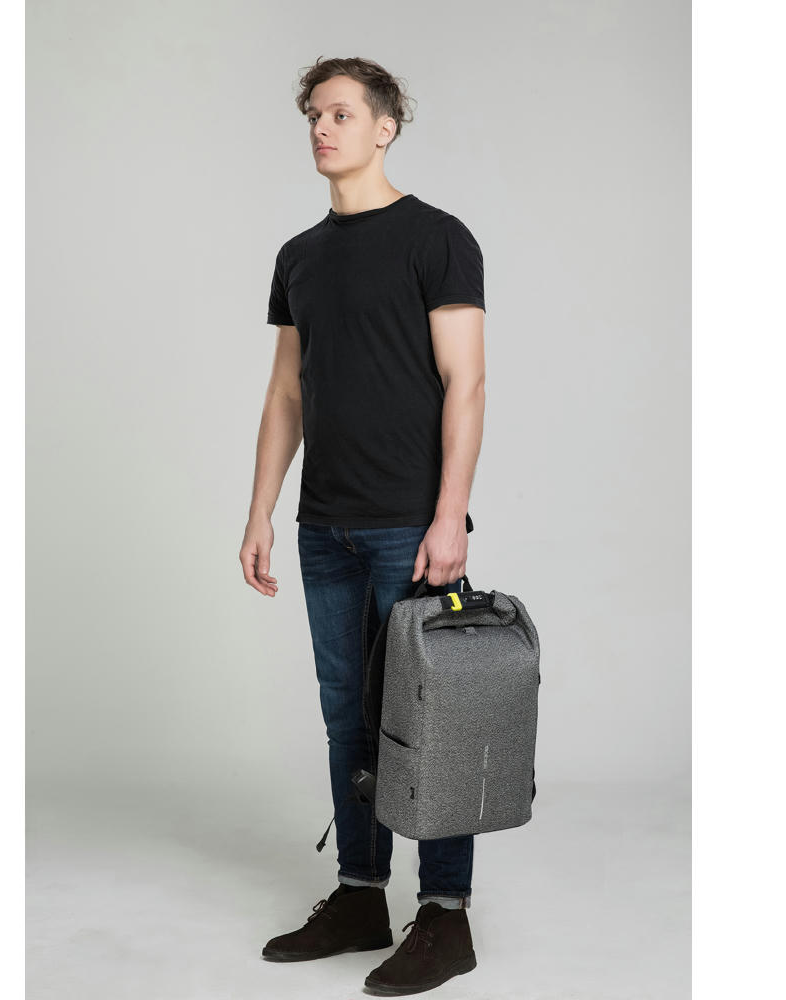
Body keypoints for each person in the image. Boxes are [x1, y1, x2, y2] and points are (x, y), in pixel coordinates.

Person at [240, 55, 486, 996]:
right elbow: (285, 393)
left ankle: (446, 915)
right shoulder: (299, 257)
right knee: (347, 717)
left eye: (341, 113)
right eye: (314, 113)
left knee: (430, 717)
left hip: (408, 526)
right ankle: (359, 896)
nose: (321, 127)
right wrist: (261, 511)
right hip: (326, 529)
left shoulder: (437, 238)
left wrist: (449, 515)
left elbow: (466, 382)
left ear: (386, 127)